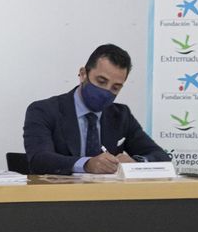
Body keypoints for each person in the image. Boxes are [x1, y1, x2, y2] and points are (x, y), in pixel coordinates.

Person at [23, 43, 169, 175]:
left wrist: (136, 164)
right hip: (58, 199)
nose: (106, 91)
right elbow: (39, 159)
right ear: (83, 74)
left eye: (115, 87)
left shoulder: (121, 115)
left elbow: (161, 156)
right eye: (101, 81)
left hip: (108, 200)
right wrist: (86, 164)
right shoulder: (44, 110)